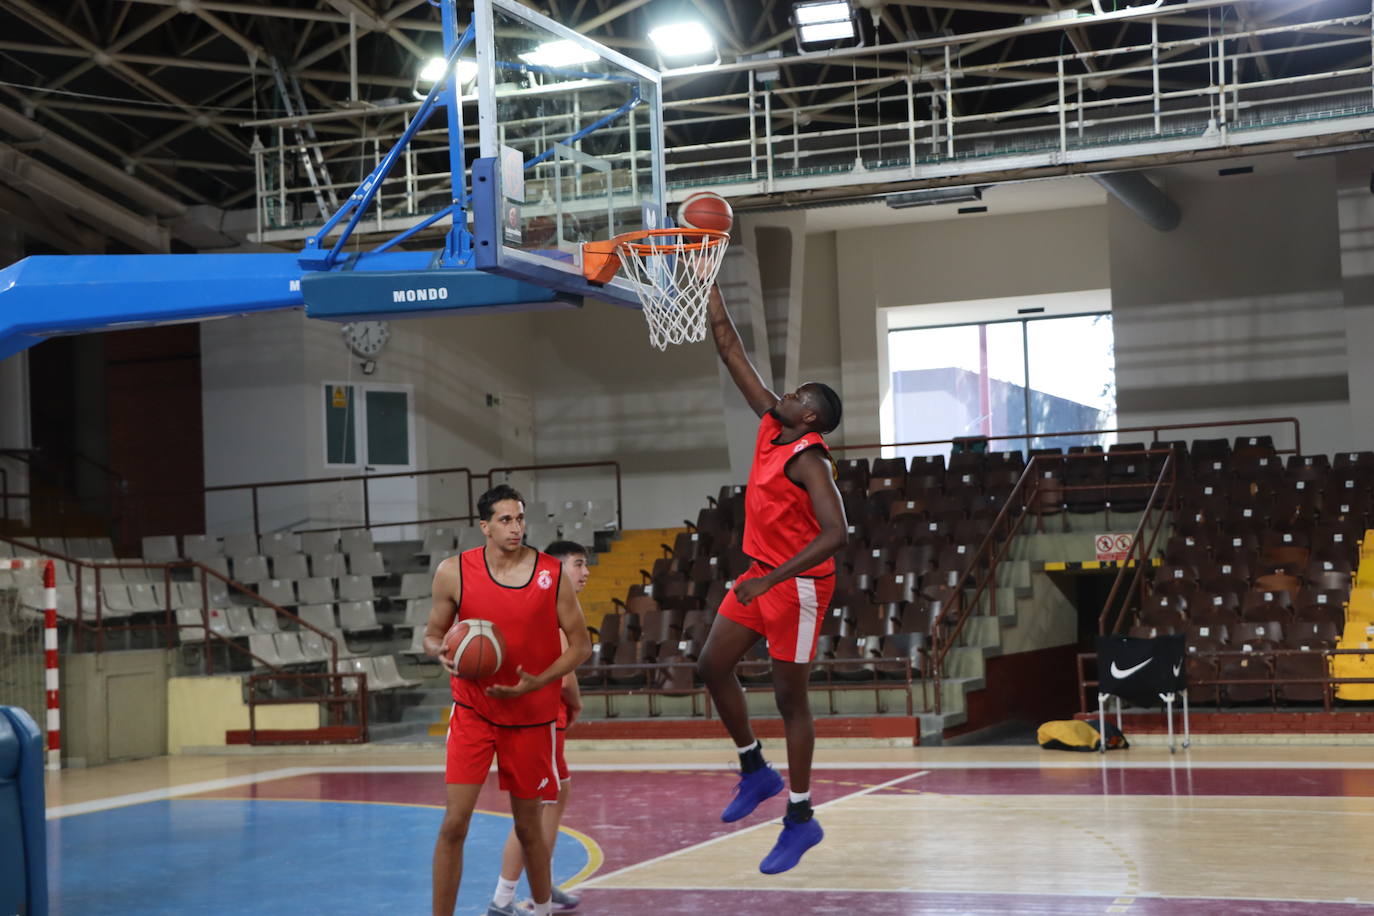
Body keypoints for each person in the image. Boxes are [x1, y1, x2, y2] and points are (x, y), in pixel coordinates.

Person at [695, 283, 847, 875]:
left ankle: (801, 818)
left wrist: (772, 579)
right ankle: (755, 768)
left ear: (809, 416)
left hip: (800, 585)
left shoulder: (809, 457)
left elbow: (836, 534)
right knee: (711, 665)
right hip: (763, 575)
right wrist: (707, 280)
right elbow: (730, 348)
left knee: (790, 699)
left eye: (799, 394)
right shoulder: (769, 424)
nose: (787, 392)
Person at [426, 486, 592, 916]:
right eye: (505, 520)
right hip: (473, 712)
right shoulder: (453, 572)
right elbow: (432, 633)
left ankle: (540, 908)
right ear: (485, 526)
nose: (515, 527)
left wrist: (539, 682)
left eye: (519, 518)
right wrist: (439, 650)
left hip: (531, 717)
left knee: (528, 828)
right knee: (453, 824)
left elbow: (581, 646)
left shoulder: (550, 573)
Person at [487, 540, 590, 915]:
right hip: (543, 718)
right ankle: (503, 899)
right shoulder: (550, 605)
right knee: (533, 809)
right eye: (578, 564)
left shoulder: (550, 603)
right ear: (557, 568)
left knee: (556, 796)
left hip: (546, 717)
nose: (585, 572)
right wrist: (576, 702)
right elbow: (565, 677)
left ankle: (539, 882)